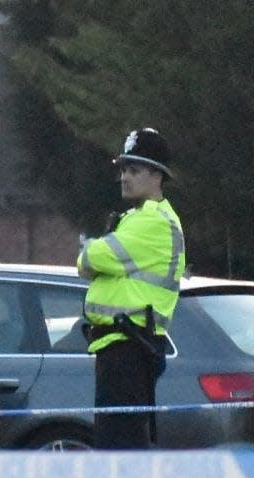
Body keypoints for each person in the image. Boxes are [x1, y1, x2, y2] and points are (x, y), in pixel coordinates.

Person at [78, 127, 186, 450]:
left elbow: (89, 258)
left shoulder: (152, 220)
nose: (124, 177)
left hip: (129, 349)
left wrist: (93, 253)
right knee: (120, 449)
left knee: (121, 452)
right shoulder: (135, 218)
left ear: (157, 176)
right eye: (123, 169)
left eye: (134, 170)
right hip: (119, 347)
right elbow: (89, 265)